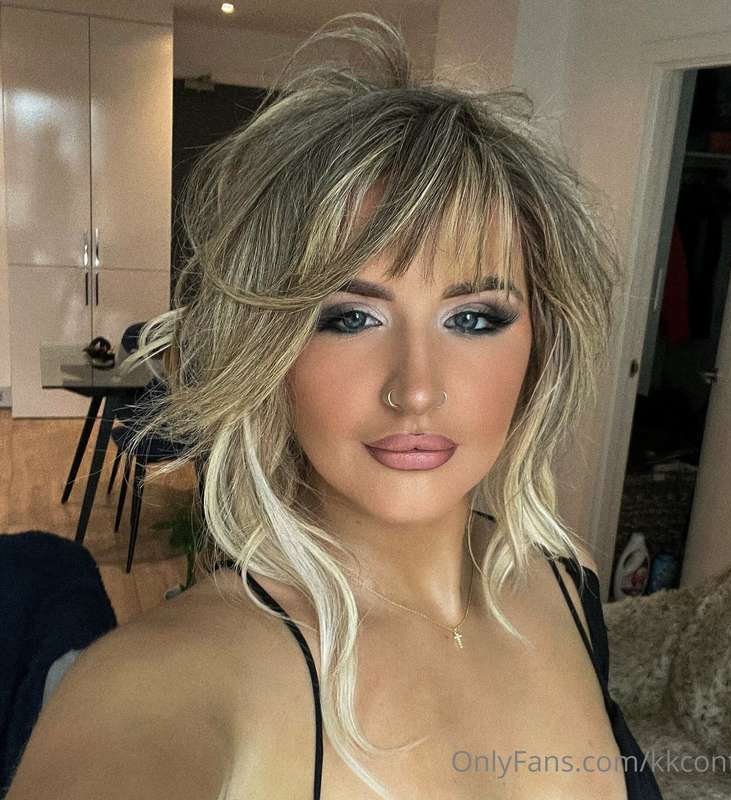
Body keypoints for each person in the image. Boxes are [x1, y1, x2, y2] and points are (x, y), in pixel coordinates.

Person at [6, 12, 662, 800]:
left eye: (473, 318)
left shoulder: (566, 584)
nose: (415, 389)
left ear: (540, 343)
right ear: (271, 348)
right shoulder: (176, 679)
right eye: (349, 318)